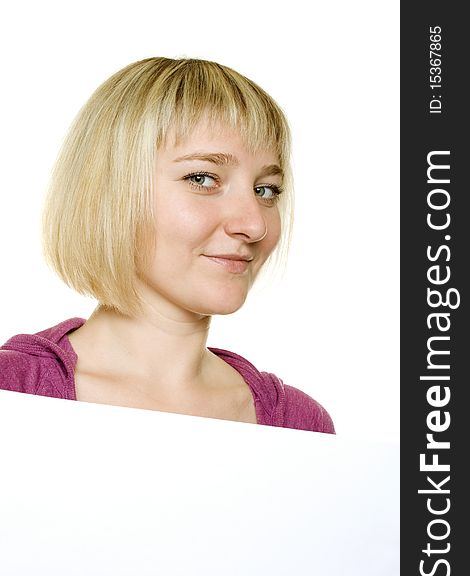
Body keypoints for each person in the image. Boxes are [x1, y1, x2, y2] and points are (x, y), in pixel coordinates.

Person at [0, 57, 334, 434]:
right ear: (112, 191)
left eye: (265, 190)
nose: (254, 224)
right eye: (203, 178)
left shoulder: (298, 424)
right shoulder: (12, 391)